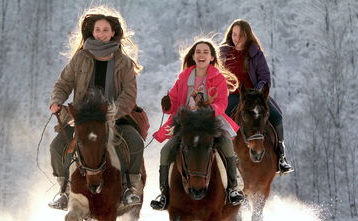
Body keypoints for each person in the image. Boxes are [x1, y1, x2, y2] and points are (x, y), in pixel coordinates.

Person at [48, 6, 144, 210]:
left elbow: (129, 93)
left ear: (113, 33)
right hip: (83, 118)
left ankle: (130, 187)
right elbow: (64, 83)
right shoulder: (80, 57)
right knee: (56, 146)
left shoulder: (124, 62)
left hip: (115, 118)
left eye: (105, 30)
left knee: (134, 141)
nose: (101, 34)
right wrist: (57, 100)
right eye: (98, 29)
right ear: (92, 32)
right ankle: (64, 189)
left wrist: (113, 111)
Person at [150, 39, 245, 210]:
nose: (201, 55)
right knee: (166, 151)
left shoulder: (218, 78)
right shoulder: (184, 77)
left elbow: (222, 103)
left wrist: (208, 110)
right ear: (193, 56)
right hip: (186, 124)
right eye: (198, 52)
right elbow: (174, 100)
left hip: (210, 122)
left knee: (226, 145)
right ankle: (164, 195)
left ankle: (232, 189)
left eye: (205, 52)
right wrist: (168, 104)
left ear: (212, 57)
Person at [219, 19, 294, 174]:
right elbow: (216, 75)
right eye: (234, 34)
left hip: (254, 95)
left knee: (277, 116)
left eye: (241, 36)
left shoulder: (255, 53)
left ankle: (281, 156)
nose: (237, 38)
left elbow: (265, 77)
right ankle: (220, 156)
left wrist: (258, 91)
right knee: (221, 118)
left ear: (248, 36)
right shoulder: (222, 53)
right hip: (232, 95)